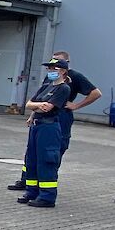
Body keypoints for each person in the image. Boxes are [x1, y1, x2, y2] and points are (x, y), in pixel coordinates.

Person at [6, 49, 102, 190]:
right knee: (33, 152)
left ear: (65, 66)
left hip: (59, 118)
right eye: (50, 64)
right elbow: (38, 99)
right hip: (41, 118)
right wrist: (33, 115)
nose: (51, 67)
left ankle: (45, 184)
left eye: (55, 64)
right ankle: (27, 181)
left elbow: (96, 93)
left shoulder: (74, 78)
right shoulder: (50, 79)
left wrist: (76, 105)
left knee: (51, 153)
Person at [16, 57, 72, 206]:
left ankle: (47, 196)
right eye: (49, 68)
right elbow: (29, 104)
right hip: (37, 126)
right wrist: (38, 105)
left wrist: (36, 105)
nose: (50, 71)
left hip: (49, 127)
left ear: (63, 71)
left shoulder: (63, 88)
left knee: (46, 160)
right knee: (32, 160)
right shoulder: (47, 86)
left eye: (54, 68)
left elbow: (49, 108)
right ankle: (31, 191)